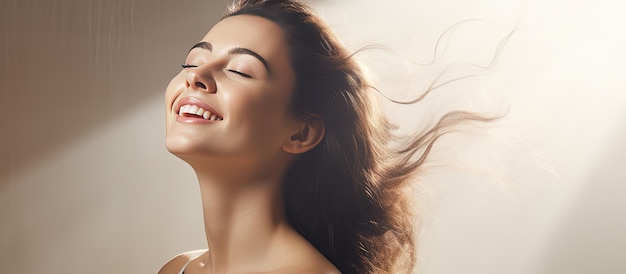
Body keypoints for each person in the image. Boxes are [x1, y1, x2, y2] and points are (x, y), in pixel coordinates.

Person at [159, 0, 492, 273]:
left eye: (240, 71)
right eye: (192, 62)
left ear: (301, 132)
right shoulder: (178, 269)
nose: (197, 76)